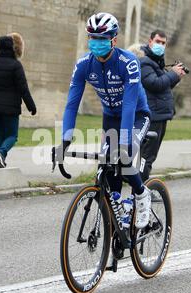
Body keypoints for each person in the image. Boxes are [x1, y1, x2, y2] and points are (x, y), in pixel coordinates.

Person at [56, 12, 153, 229]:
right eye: (92, 37)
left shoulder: (128, 63)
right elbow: (72, 104)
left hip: (137, 115)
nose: (96, 42)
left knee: (124, 158)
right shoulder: (83, 65)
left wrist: (126, 141)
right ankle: (119, 206)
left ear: (114, 40)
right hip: (110, 117)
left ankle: (141, 193)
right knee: (107, 164)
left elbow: (129, 106)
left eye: (102, 38)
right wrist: (64, 139)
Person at [0, 34, 37, 168]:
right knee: (12, 135)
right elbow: (24, 89)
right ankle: (1, 153)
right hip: (10, 107)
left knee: (0, 134)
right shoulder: (16, 66)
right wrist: (31, 106)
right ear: (12, 48)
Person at [136, 30, 186, 182]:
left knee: (148, 156)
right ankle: (141, 192)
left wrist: (175, 77)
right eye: (158, 42)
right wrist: (172, 74)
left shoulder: (156, 61)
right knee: (146, 157)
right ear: (150, 41)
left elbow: (162, 89)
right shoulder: (145, 62)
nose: (160, 45)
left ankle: (141, 189)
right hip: (152, 116)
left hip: (159, 115)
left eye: (163, 43)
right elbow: (155, 84)